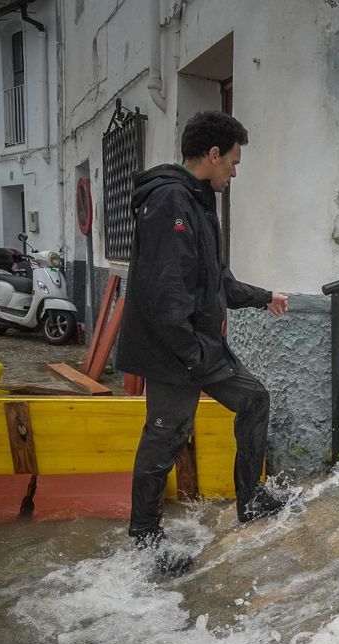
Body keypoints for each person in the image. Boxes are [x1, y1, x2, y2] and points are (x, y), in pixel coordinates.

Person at [118, 110, 291, 552]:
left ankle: (250, 499)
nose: (234, 171)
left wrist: (262, 295)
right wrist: (192, 354)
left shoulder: (197, 202)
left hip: (200, 346)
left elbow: (216, 281)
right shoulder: (170, 202)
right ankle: (145, 537)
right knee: (166, 435)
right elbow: (164, 289)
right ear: (213, 155)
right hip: (174, 351)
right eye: (233, 161)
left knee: (253, 399)